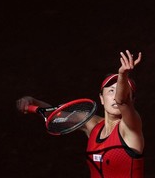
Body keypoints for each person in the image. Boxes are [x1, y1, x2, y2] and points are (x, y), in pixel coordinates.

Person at [17, 50, 144, 178]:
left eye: (122, 91)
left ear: (132, 101)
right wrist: (33, 102)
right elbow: (57, 115)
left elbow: (122, 102)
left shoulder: (131, 128)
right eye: (111, 91)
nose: (116, 96)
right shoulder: (93, 125)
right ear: (101, 99)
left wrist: (123, 74)